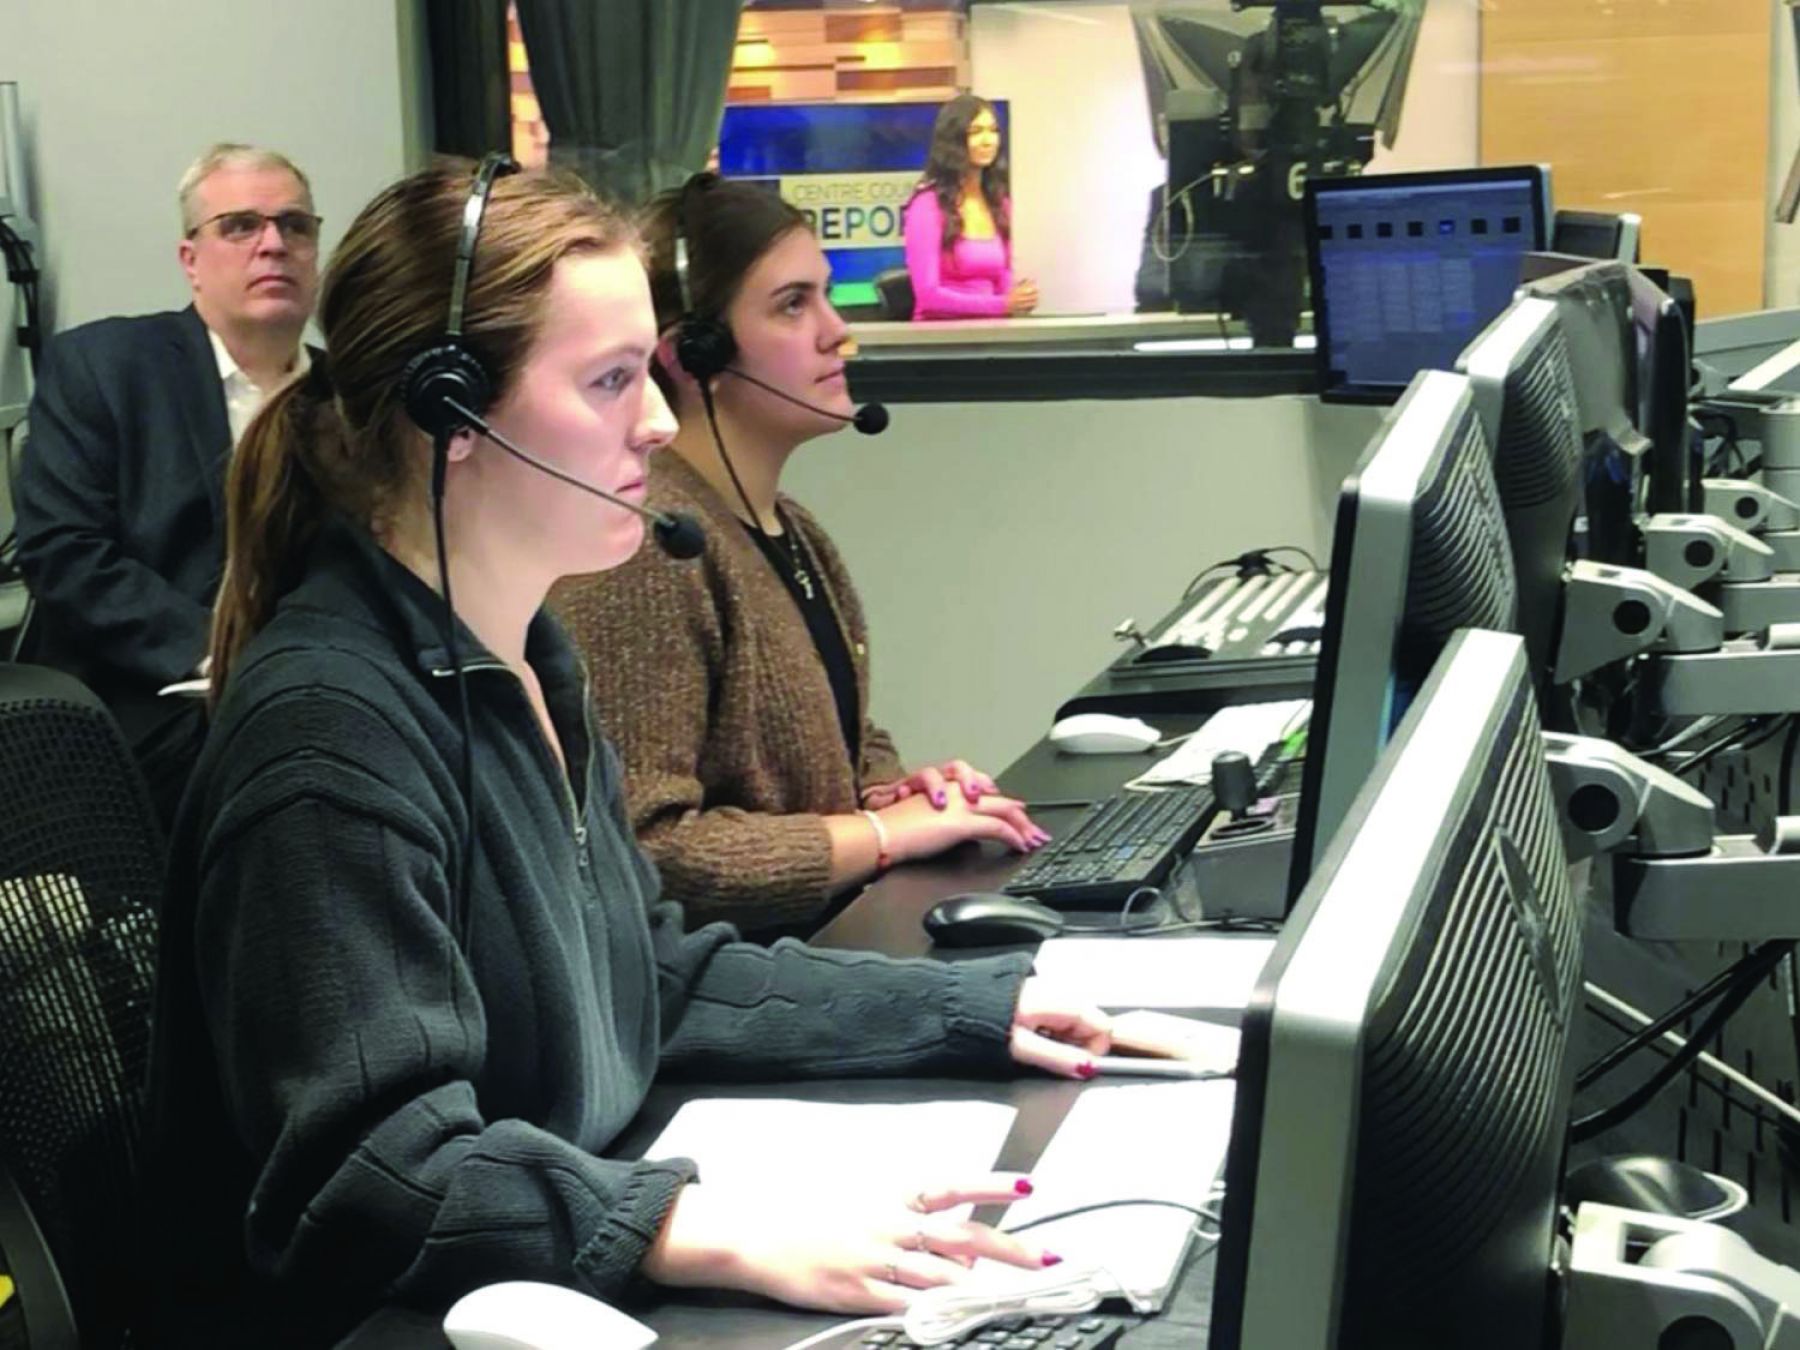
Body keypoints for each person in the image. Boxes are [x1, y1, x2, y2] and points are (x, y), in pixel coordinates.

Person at [141, 160, 1112, 1347]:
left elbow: (651, 976)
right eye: (608, 381)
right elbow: (371, 1172)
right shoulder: (329, 736)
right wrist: (705, 1229)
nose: (657, 419)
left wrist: (979, 1006)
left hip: (534, 1270)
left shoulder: (529, 660)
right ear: (448, 413)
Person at [551, 175, 1049, 937]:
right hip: (727, 1008)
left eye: (825, 296)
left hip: (817, 953)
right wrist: (880, 837)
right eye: (792, 304)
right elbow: (646, 849)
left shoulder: (792, 530)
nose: (836, 331)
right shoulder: (651, 550)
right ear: (695, 354)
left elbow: (835, 743)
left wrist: (902, 792)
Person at [12, 143, 321, 827]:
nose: (273, 243)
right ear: (191, 261)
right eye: (240, 225)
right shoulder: (106, 367)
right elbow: (63, 553)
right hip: (151, 695)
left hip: (317, 685)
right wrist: (235, 652)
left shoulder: (350, 399)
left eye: (295, 225)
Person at [901, 94, 1038, 320]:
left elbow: (1004, 278)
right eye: (976, 132)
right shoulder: (927, 205)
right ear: (954, 139)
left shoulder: (1000, 204)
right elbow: (928, 295)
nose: (988, 140)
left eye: (993, 130)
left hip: (994, 335)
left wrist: (1019, 300)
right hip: (943, 339)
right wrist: (1002, 305)